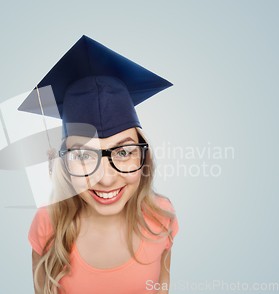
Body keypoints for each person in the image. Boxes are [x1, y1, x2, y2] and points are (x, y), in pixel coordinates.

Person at [19, 35, 179, 294]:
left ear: (144, 156)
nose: (105, 178)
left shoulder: (161, 216)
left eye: (125, 151)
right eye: (83, 156)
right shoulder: (48, 225)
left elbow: (162, 286)